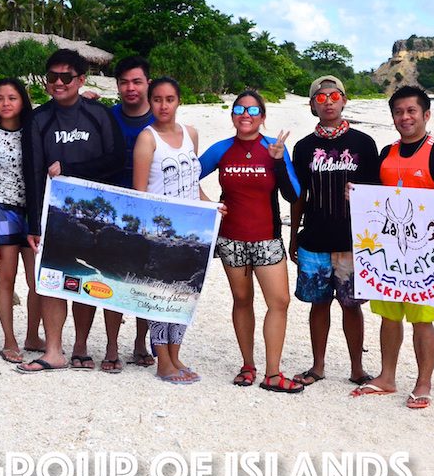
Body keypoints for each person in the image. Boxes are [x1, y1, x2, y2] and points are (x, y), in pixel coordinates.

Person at [17, 48, 124, 373]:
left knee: (87, 277)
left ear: (81, 79)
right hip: (52, 214)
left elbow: (116, 160)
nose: (59, 82)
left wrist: (71, 169)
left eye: (66, 77)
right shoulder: (39, 118)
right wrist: (33, 223)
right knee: (51, 280)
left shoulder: (99, 114)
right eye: (53, 77)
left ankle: (80, 345)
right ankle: (53, 350)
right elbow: (33, 171)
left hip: (95, 214)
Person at [352, 86, 434, 407]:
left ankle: (423, 382)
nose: (405, 117)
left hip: (424, 258)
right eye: (399, 112)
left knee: (422, 320)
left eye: (411, 111)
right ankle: (387, 376)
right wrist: (354, 197)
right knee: (388, 317)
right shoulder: (386, 153)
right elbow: (371, 197)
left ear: (426, 114)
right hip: (387, 255)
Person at [199, 90, 303, 394]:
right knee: (242, 301)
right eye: (240, 109)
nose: (246, 114)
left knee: (279, 302)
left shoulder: (275, 147)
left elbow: (293, 195)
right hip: (231, 239)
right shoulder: (222, 149)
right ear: (232, 115)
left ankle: (273, 373)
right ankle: (247, 365)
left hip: (267, 238)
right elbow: (185, 174)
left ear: (263, 117)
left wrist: (278, 162)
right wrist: (207, 203)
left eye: (254, 110)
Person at [289, 75, 379, 387]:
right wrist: (293, 236)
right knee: (319, 303)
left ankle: (357, 367)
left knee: (352, 306)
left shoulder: (364, 144)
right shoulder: (303, 148)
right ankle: (318, 366)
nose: (328, 102)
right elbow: (299, 195)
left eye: (334, 96)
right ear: (312, 105)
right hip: (314, 239)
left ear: (344, 99)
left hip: (353, 242)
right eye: (321, 98)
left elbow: (378, 195)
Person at [131, 77, 213, 384]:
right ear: (150, 102)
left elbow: (193, 183)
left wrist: (212, 205)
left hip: (192, 231)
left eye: (169, 99)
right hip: (160, 234)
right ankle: (162, 360)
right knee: (159, 297)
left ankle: (176, 355)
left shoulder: (191, 134)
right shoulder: (147, 139)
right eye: (157, 100)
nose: (163, 106)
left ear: (179, 101)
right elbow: (140, 192)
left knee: (185, 294)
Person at [0, 78, 46, 364]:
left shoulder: (34, 131)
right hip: (0, 212)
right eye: (0, 98)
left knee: (36, 280)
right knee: (6, 279)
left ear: (22, 101)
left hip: (32, 212)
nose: (5, 103)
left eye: (12, 98)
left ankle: (32, 334)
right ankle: (9, 340)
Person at [107, 56, 155, 370]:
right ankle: (111, 346)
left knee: (143, 281)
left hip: (149, 213)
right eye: (124, 82)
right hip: (112, 210)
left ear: (147, 83)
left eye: (136, 81)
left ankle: (140, 342)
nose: (130, 88)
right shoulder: (105, 117)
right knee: (112, 280)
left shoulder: (160, 121)